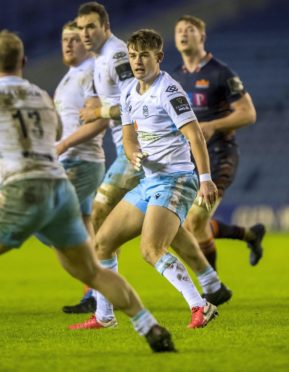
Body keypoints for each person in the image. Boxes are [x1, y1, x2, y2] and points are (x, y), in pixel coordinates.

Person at [0, 30, 175, 359]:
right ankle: (149, 326)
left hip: (21, 188)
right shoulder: (41, 96)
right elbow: (57, 131)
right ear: (24, 62)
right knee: (92, 272)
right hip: (60, 190)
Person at [69, 29, 219, 330]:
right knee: (102, 243)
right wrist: (132, 149)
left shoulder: (169, 90)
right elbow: (127, 134)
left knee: (151, 250)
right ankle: (104, 315)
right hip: (150, 181)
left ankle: (200, 305)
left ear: (158, 58)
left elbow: (195, 135)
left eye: (144, 56)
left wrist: (205, 178)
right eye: (133, 55)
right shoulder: (129, 92)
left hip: (176, 179)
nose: (137, 62)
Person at [62, 1, 142, 314]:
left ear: (105, 28)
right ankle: (210, 285)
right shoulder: (100, 58)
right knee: (165, 234)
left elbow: (137, 102)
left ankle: (104, 300)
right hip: (129, 147)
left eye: (91, 27)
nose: (84, 33)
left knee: (99, 214)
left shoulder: (117, 54)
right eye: (80, 28)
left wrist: (100, 110)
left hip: (136, 147)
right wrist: (94, 104)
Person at [172, 15, 264, 269]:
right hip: (187, 160)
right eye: (179, 30)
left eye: (189, 29)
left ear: (201, 37)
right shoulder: (174, 78)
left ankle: (211, 289)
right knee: (188, 224)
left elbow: (248, 113)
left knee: (195, 220)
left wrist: (212, 125)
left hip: (219, 155)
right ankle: (250, 235)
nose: (183, 33)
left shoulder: (220, 73)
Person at [54, 21, 109, 313]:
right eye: (64, 39)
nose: (67, 44)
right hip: (72, 160)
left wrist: (62, 145)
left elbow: (101, 119)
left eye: (74, 39)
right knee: (86, 227)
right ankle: (95, 294)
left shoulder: (91, 73)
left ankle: (98, 288)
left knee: (46, 219)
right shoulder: (69, 76)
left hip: (80, 161)